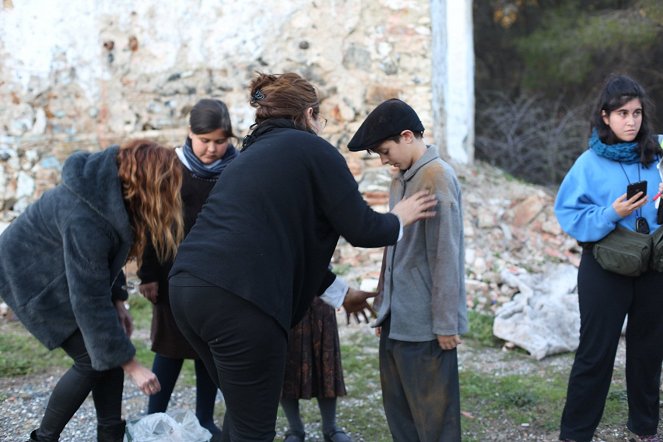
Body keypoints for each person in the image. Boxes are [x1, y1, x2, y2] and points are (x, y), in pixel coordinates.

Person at [167, 72, 437, 441]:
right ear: (309, 114)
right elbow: (362, 229)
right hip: (241, 301)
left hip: (188, 290)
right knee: (255, 429)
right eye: (320, 118)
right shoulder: (315, 151)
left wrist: (340, 293)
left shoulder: (250, 156)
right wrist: (398, 219)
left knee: (243, 410)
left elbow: (279, 245)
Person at [0, 140, 185, 442]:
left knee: (104, 354)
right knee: (91, 358)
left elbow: (103, 263)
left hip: (62, 272)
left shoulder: (108, 197)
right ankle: (42, 439)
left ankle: (109, 436)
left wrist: (119, 303)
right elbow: (88, 298)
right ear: (146, 184)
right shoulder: (84, 216)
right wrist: (134, 366)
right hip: (27, 277)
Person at [346, 98, 467, 441]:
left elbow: (446, 254)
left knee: (435, 423)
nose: (384, 161)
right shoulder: (400, 178)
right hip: (397, 321)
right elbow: (393, 247)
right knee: (400, 418)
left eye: (385, 151)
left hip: (426, 327)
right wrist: (385, 308)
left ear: (407, 136)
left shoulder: (436, 176)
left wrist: (446, 322)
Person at [554, 74, 663, 442]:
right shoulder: (588, 163)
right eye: (621, 113)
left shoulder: (659, 153)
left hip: (654, 268)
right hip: (605, 268)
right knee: (595, 354)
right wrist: (610, 212)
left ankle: (644, 428)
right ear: (605, 116)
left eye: (636, 112)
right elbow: (568, 214)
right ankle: (575, 433)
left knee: (649, 351)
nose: (631, 121)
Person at [137, 99, 238, 441]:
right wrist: (148, 274)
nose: (212, 149)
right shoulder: (172, 169)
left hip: (218, 279)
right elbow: (153, 224)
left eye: (219, 141)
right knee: (169, 349)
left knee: (208, 352)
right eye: (204, 140)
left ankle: (205, 419)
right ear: (189, 135)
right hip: (172, 277)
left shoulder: (238, 170)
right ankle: (154, 420)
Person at [280, 275, 361, 442]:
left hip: (321, 294)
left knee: (326, 362)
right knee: (286, 364)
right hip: (284, 296)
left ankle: (330, 428)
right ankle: (295, 430)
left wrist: (342, 293)